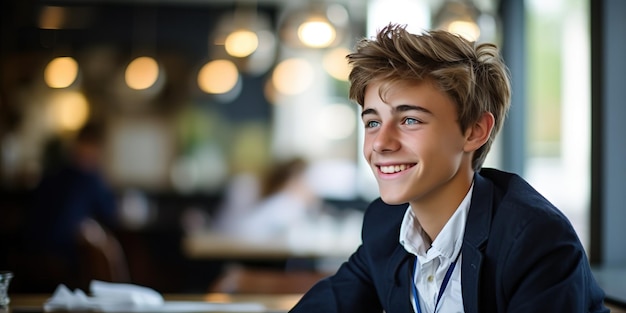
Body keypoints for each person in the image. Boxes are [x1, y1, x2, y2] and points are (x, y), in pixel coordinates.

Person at [290, 24, 607, 313]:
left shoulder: (532, 238)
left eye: (410, 120)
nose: (380, 143)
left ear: (473, 131)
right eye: (373, 122)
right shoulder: (386, 225)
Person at [19, 122, 119, 291]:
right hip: (62, 252)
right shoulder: (88, 178)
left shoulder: (52, 174)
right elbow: (110, 212)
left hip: (31, 249)